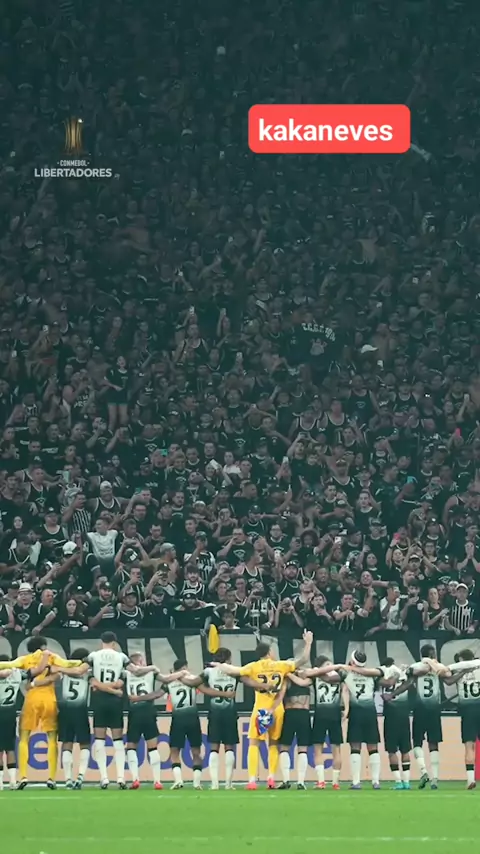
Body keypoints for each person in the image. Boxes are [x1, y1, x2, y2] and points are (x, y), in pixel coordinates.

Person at [215, 629, 313, 789]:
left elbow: (234, 671)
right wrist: (308, 643)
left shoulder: (254, 666)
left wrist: (218, 665)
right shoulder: (281, 665)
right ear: (269, 652)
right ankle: (271, 778)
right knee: (273, 744)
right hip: (277, 709)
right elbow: (303, 659)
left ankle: (252, 780)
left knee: (254, 744)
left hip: (260, 708)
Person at [83, 631, 169, 789]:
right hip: (118, 704)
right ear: (114, 643)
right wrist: (115, 691)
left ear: (101, 641)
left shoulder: (94, 656)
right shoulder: (122, 658)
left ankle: (104, 778)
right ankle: (121, 778)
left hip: (99, 702)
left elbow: (87, 676)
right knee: (118, 741)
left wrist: (100, 685)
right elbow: (130, 676)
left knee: (100, 740)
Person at [0, 637, 83, 789]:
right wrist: (83, 662)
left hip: (31, 700)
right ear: (43, 646)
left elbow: (9, 665)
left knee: (24, 738)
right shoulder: (52, 656)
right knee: (51, 739)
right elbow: (67, 664)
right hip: (49, 699)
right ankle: (51, 778)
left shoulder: (25, 659)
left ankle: (23, 776)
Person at [390, 644, 444, 789]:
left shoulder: (415, 666)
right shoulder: (438, 667)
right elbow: (448, 677)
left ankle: (424, 771)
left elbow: (409, 683)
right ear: (432, 654)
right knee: (433, 743)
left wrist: (393, 694)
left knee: (418, 742)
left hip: (420, 709)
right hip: (434, 709)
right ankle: (435, 778)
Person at [189, 648, 240, 790]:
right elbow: (249, 680)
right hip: (230, 713)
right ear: (228, 659)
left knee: (214, 747)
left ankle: (214, 784)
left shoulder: (208, 672)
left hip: (215, 713)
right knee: (229, 747)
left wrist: (210, 691)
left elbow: (194, 683)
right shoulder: (234, 671)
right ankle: (228, 784)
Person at [125, 653, 174, 790]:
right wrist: (179, 674)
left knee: (131, 746)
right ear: (141, 662)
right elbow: (166, 679)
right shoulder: (151, 672)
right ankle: (157, 781)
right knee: (152, 747)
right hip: (148, 710)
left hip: (134, 711)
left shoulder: (126, 674)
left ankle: (135, 779)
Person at [299, 655, 347, 790]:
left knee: (318, 749)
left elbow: (304, 677)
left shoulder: (316, 675)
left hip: (320, 714)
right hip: (335, 714)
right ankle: (335, 783)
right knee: (336, 749)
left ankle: (321, 782)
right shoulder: (338, 674)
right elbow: (344, 689)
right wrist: (346, 709)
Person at [342, 651, 386, 790]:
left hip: (356, 712)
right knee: (373, 747)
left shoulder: (346, 673)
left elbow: (341, 686)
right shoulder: (372, 674)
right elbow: (383, 678)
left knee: (355, 747)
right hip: (370, 712)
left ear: (352, 661)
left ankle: (356, 782)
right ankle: (375, 781)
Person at [54, 647, 92, 789]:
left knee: (67, 742)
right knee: (85, 743)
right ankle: (81, 775)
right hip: (80, 710)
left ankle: (68, 779)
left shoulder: (64, 671)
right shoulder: (87, 672)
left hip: (64, 710)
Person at [444, 649, 480, 790]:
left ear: (461, 659)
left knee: (469, 745)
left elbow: (447, 680)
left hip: (467, 711)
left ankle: (470, 779)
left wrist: (463, 672)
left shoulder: (458, 671)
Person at [277, 672, 312, 790]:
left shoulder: (306, 678)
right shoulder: (288, 680)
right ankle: (288, 780)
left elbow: (302, 683)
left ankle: (299, 781)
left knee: (300, 748)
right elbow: (281, 695)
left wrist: (288, 674)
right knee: (286, 747)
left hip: (299, 714)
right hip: (293, 714)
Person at [381, 657, 412, 790]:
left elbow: (384, 686)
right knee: (405, 749)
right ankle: (407, 782)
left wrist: (390, 696)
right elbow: (409, 683)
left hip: (390, 716)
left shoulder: (382, 675)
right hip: (404, 715)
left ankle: (398, 781)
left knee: (392, 750)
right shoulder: (403, 674)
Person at [0, 655, 25, 790]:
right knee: (10, 748)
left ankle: (0, 783)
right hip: (10, 714)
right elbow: (31, 673)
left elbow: (3, 674)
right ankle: (13, 781)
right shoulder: (17, 674)